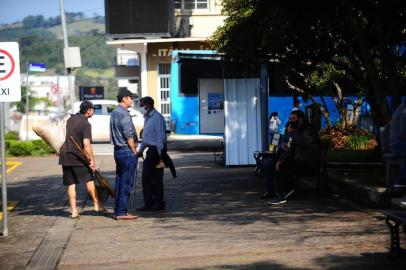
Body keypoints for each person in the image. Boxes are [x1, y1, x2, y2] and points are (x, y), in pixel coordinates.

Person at [59, 100, 103, 219]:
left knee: (71, 184)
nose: (93, 111)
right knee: (89, 180)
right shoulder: (86, 124)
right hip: (78, 157)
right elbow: (86, 143)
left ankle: (73, 211)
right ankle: (97, 205)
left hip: (65, 155)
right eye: (92, 109)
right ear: (88, 111)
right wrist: (92, 160)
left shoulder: (70, 119)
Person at [266, 110, 320, 204]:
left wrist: (293, 133)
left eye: (293, 119)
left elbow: (304, 143)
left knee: (284, 165)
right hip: (296, 160)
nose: (291, 121)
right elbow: (289, 148)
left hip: (307, 163)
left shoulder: (309, 131)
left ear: (301, 120)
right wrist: (281, 159)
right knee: (271, 162)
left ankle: (283, 194)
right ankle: (274, 191)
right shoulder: (293, 132)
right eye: (290, 119)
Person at [110, 89, 139, 220]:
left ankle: (118, 211)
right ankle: (122, 212)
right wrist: (134, 150)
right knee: (126, 182)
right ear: (125, 99)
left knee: (120, 181)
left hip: (118, 150)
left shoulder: (115, 112)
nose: (132, 100)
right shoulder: (124, 114)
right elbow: (128, 134)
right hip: (126, 151)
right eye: (131, 98)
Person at [136, 96, 168, 211]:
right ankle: (151, 202)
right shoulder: (147, 117)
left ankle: (156, 202)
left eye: (141, 106)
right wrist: (140, 151)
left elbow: (161, 136)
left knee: (155, 178)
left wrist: (160, 154)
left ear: (148, 106)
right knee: (148, 178)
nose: (140, 108)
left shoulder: (157, 118)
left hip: (157, 150)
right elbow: (146, 138)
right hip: (150, 150)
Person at [389, 101, 406, 187]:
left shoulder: (401, 108)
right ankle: (401, 181)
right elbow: (404, 134)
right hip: (397, 143)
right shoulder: (403, 112)